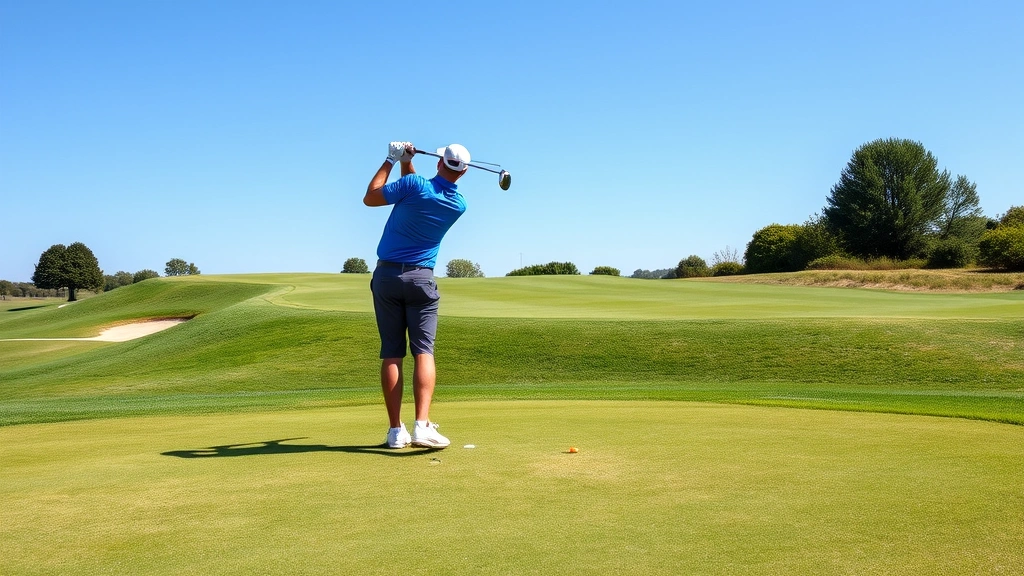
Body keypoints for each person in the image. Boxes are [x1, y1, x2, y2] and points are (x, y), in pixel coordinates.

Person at [363, 141, 470, 449]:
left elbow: (371, 197)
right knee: (423, 351)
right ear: (463, 172)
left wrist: (391, 159)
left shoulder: (414, 185)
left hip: (387, 276)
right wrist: (406, 163)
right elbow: (417, 189)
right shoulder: (458, 204)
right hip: (422, 279)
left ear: (438, 163)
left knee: (392, 353)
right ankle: (422, 426)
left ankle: (396, 432)